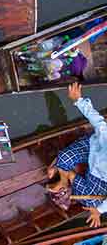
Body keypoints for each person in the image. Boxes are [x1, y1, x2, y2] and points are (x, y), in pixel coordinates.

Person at [46, 82, 107, 228]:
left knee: (91, 203)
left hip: (99, 177)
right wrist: (78, 100)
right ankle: (63, 178)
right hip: (92, 147)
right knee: (64, 158)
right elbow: (98, 122)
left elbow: (99, 207)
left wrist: (98, 211)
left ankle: (68, 175)